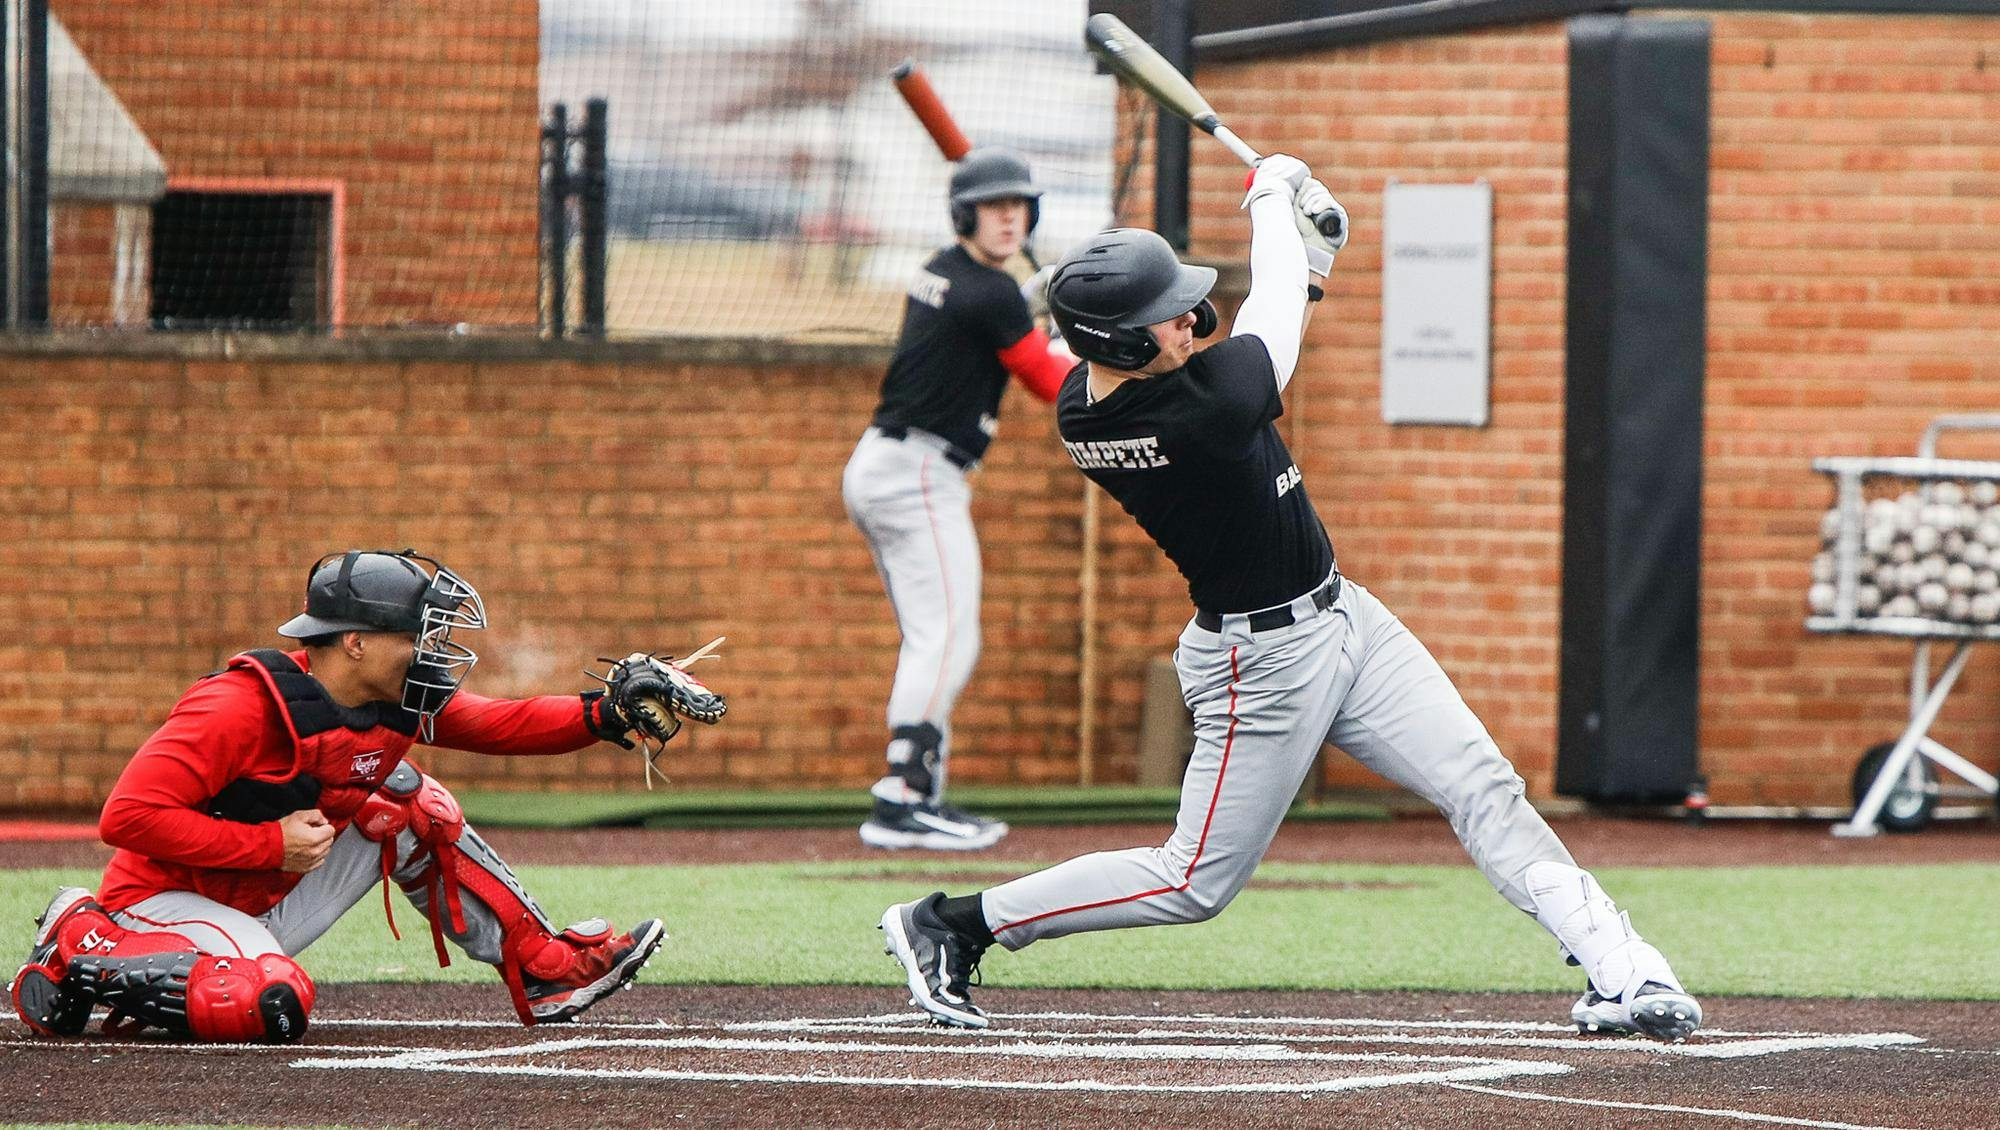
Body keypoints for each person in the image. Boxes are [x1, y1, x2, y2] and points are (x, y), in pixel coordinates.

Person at [878, 157, 1704, 1043]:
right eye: (1168, 318)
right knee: (1192, 881)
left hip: (1347, 617)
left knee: (1482, 786)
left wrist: (1313, 265)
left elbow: (1268, 316)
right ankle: (956, 925)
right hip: (1259, 665)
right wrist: (1273, 195)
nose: (1193, 321)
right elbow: (1264, 319)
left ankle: (1627, 971)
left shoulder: (1101, 396)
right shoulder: (1185, 414)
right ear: (1119, 345)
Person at [10, 549, 724, 1043]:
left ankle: (544, 971)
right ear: (355, 642)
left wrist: (604, 713)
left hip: (261, 894)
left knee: (412, 803)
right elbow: (125, 818)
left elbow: (500, 723)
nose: (431, 647)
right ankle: (82, 937)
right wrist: (268, 844)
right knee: (270, 1003)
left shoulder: (396, 697)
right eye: (416, 633)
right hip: (160, 902)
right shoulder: (235, 708)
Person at [843, 147, 1076, 851]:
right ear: (964, 213)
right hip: (917, 472)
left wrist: (1046, 321)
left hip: (888, 464)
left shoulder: (951, 271)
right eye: (993, 206)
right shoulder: (989, 291)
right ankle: (902, 796)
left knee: (933, 637)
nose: (1009, 217)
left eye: (1018, 206)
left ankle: (919, 794)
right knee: (947, 639)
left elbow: (1002, 336)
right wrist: (1095, 340)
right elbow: (1048, 382)